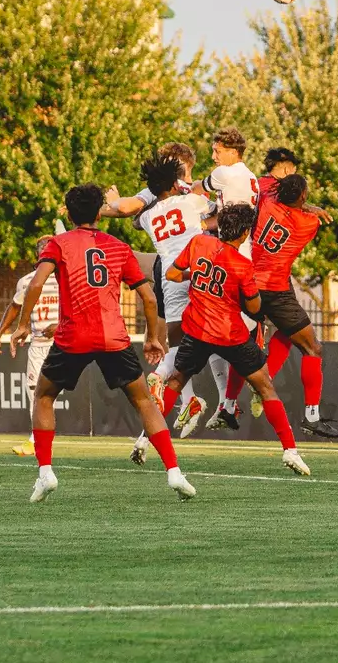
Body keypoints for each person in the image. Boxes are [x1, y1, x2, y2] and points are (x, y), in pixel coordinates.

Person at [12, 182, 194, 503]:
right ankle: (174, 472)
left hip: (72, 337)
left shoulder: (58, 243)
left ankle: (45, 473)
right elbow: (149, 298)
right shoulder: (119, 247)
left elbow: (36, 283)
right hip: (114, 337)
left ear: (69, 215)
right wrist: (152, 337)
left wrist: (23, 324)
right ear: (100, 213)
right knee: (144, 402)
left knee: (43, 396)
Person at [161, 203, 311, 476]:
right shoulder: (242, 265)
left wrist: (196, 275)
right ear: (244, 233)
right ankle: (290, 450)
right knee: (265, 388)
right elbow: (254, 308)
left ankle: (145, 438)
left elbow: (171, 274)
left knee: (176, 381)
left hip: (197, 330)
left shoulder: (199, 243)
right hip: (230, 334)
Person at [129, 150, 215, 463]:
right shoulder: (191, 201)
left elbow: (135, 220)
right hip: (201, 271)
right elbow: (218, 207)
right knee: (216, 343)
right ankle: (222, 401)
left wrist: (148, 198)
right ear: (176, 182)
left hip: (171, 278)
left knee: (178, 346)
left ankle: (168, 383)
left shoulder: (148, 216)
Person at [251, 173, 338, 438]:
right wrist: (310, 207)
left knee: (283, 333)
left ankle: (232, 402)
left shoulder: (267, 202)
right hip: (276, 291)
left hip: (249, 286)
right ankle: (311, 417)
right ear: (303, 196)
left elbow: (265, 186)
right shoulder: (309, 223)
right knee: (312, 348)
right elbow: (302, 210)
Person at [199, 127, 262, 430]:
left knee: (212, 333)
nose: (214, 156)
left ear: (233, 152)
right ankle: (229, 403)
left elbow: (196, 188)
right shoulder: (248, 176)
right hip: (243, 254)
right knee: (233, 334)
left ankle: (254, 379)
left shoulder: (226, 173)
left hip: (231, 257)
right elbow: (223, 213)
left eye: (218, 150)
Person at [0, 234, 61, 458]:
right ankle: (36, 440)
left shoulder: (65, 278)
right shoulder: (27, 281)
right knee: (35, 392)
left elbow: (80, 305)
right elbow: (15, 306)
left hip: (63, 343)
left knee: (48, 393)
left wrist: (60, 325)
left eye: (49, 248)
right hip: (38, 344)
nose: (45, 252)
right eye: (42, 249)